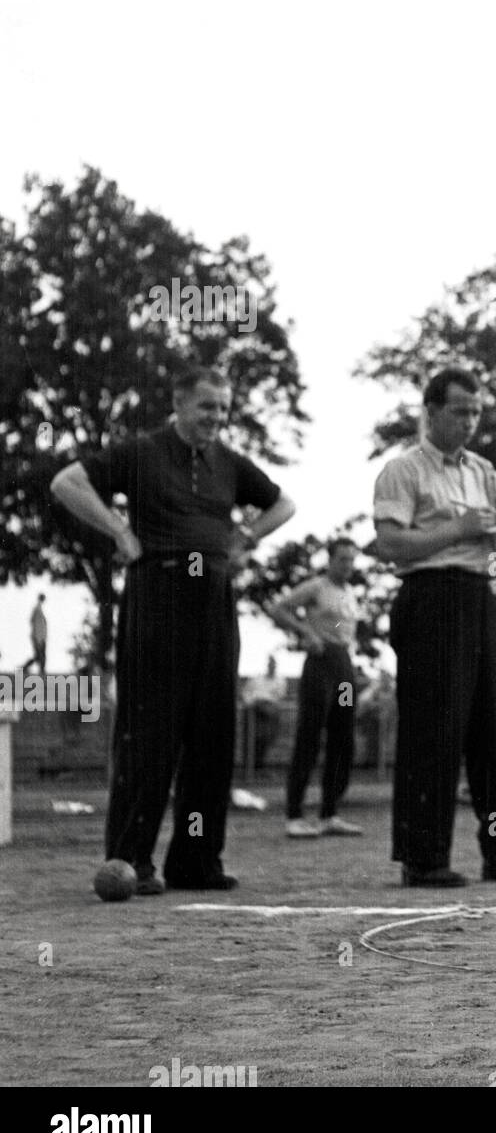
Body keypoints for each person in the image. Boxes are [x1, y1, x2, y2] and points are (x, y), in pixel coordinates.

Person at [49, 365, 295, 893]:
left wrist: (246, 534)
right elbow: (66, 482)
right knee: (150, 733)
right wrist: (118, 530)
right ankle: (131, 862)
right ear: (180, 403)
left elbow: (285, 502)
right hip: (157, 598)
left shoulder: (228, 462)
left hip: (215, 599)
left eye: (224, 409)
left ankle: (196, 862)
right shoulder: (140, 452)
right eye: (207, 407)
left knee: (212, 734)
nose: (216, 418)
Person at [373, 366, 496, 887]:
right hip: (429, 598)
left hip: (479, 599)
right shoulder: (403, 470)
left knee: (494, 730)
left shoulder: (482, 470)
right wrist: (456, 529)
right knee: (433, 730)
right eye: (460, 411)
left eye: (477, 411)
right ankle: (424, 858)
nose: (470, 421)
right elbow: (390, 545)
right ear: (430, 411)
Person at [267, 538, 365, 838]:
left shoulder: (350, 593)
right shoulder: (316, 587)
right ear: (330, 560)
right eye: (342, 559)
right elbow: (279, 608)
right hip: (319, 663)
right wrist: (304, 632)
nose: (347, 566)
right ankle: (294, 814)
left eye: (351, 560)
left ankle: (329, 812)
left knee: (342, 735)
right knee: (309, 735)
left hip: (342, 664)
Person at [22, 594, 48, 675]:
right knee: (40, 656)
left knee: (40, 656)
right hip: (38, 636)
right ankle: (25, 668)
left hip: (41, 636)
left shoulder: (39, 609)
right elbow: (33, 621)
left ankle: (41, 671)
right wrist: (38, 637)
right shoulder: (37, 609)